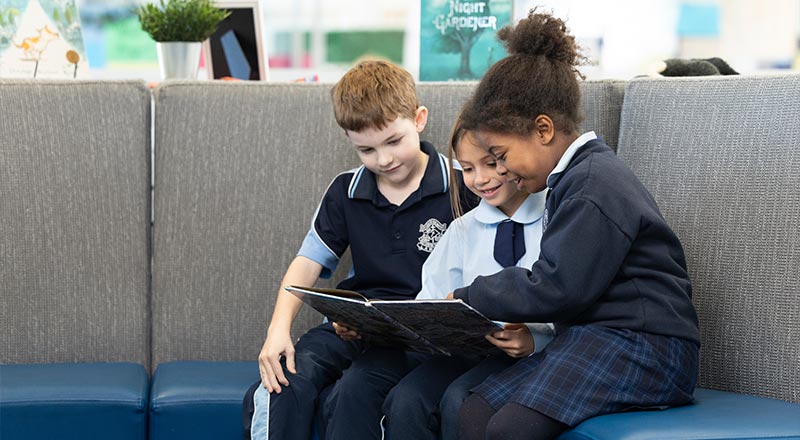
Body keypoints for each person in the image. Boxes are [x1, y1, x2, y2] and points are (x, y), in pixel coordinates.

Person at [450, 10, 701, 440]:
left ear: (543, 130)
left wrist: (470, 297)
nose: (504, 172)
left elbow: (558, 288)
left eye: (502, 155)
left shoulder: (593, 184)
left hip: (651, 347)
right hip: (600, 337)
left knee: (512, 426)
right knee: (475, 410)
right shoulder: (572, 178)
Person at [241, 59, 476, 440]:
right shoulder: (345, 191)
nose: (383, 160)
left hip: (420, 335)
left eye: (393, 141)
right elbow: (308, 262)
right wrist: (277, 330)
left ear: (419, 119)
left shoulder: (462, 185)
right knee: (281, 381)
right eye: (366, 150)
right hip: (353, 325)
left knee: (358, 392)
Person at [380, 116, 556, 440]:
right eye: (468, 168)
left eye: (491, 164)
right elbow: (430, 297)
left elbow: (570, 298)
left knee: (460, 400)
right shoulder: (462, 229)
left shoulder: (555, 220)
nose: (481, 180)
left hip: (531, 357)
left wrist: (535, 339)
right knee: (407, 400)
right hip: (467, 351)